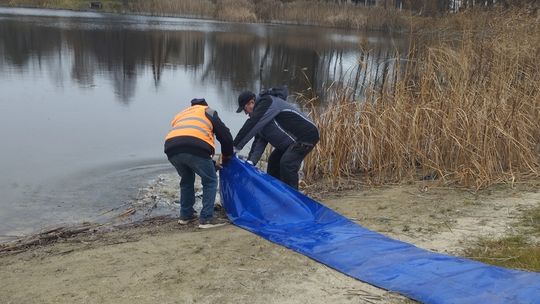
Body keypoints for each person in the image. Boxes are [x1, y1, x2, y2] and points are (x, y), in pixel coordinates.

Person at [164, 98, 233, 229]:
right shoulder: (208, 111)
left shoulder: (182, 113)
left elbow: (189, 144)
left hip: (171, 148)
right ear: (205, 105)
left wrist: (210, 164)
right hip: (195, 147)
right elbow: (225, 136)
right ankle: (206, 218)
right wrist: (227, 156)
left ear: (192, 106)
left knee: (187, 179)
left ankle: (186, 215)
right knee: (210, 180)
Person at [233, 87, 319, 190]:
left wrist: (233, 148)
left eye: (244, 109)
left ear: (251, 102)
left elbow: (251, 125)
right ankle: (276, 193)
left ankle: (293, 198)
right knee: (273, 161)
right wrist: (250, 163)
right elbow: (259, 142)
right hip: (292, 142)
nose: (246, 113)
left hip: (306, 135)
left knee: (287, 163)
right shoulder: (263, 117)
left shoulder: (267, 102)